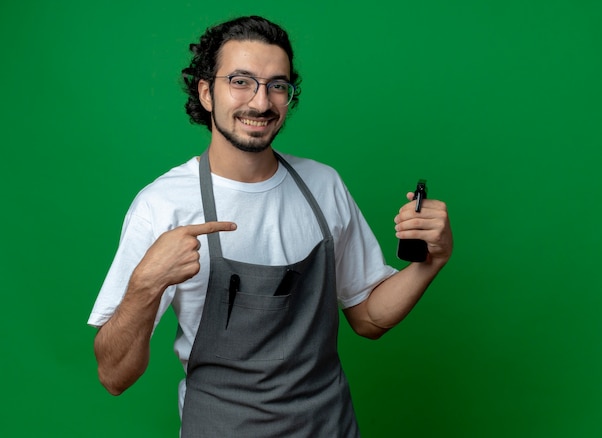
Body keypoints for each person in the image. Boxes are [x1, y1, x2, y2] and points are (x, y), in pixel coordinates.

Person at [88, 15, 453, 437]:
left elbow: (368, 318)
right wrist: (145, 284)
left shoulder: (323, 184)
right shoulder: (164, 205)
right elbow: (114, 376)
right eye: (241, 81)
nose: (261, 103)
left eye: (276, 85)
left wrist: (431, 262)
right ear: (206, 92)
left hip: (328, 427)